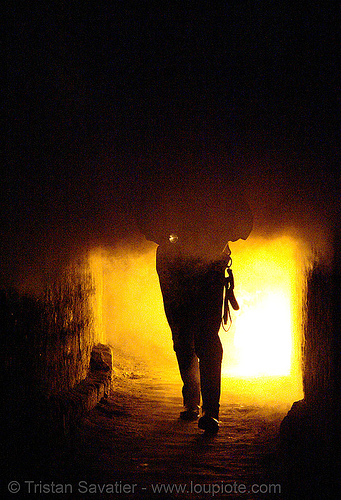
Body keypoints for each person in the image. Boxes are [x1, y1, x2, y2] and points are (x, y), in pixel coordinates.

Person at [135, 175, 253, 433]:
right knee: (182, 337)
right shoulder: (168, 180)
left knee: (207, 339)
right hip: (174, 267)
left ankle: (210, 411)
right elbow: (144, 216)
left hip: (209, 266)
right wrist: (166, 237)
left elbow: (243, 223)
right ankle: (192, 401)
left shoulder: (219, 181)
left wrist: (220, 236)